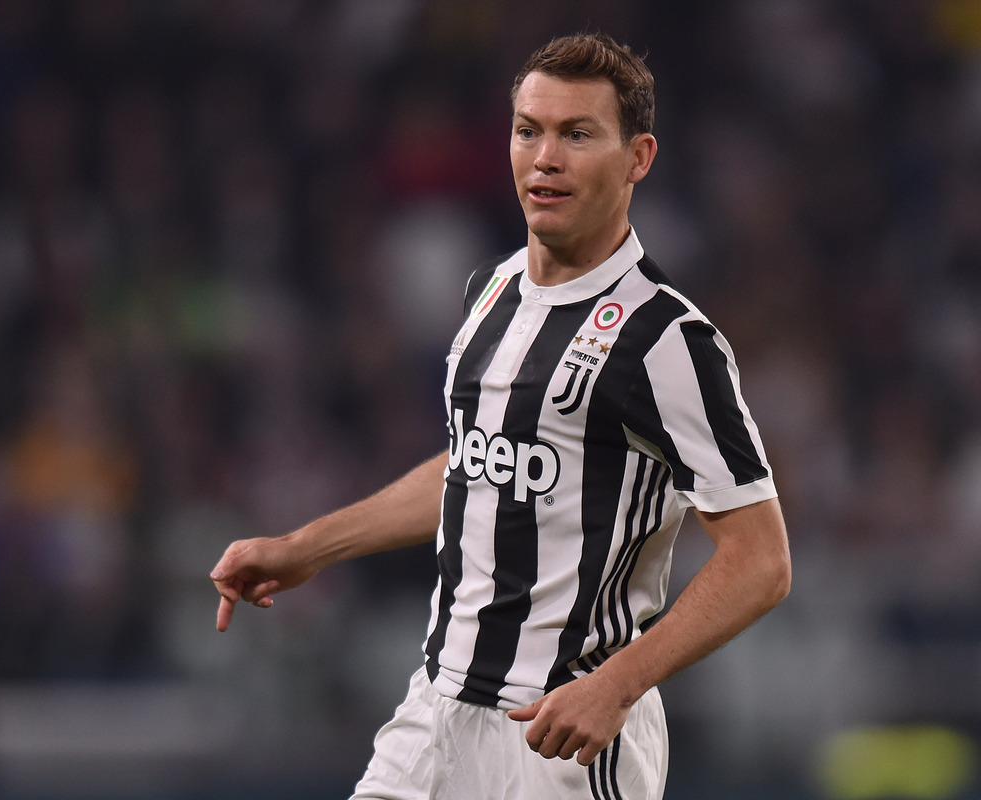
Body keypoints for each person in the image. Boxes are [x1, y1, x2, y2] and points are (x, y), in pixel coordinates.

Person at [211, 32, 791, 800]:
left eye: (578, 134)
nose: (545, 157)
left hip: (563, 734)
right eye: (529, 131)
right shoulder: (491, 290)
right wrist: (307, 547)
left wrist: (615, 687)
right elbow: (473, 467)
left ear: (638, 157)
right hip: (437, 709)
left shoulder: (667, 340)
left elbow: (760, 559)